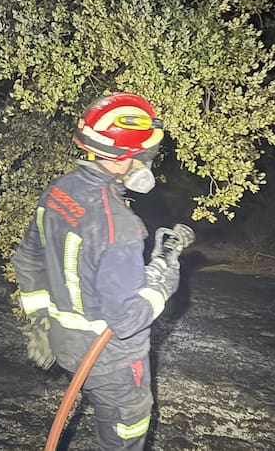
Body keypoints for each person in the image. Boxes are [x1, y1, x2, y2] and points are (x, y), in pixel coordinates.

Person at [13, 92, 182, 450]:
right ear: (125, 157)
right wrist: (163, 278)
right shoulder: (118, 225)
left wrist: (40, 320)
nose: (147, 164)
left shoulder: (58, 192)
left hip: (67, 350)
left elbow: (27, 259)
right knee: (124, 435)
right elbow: (126, 318)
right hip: (115, 364)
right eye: (146, 155)